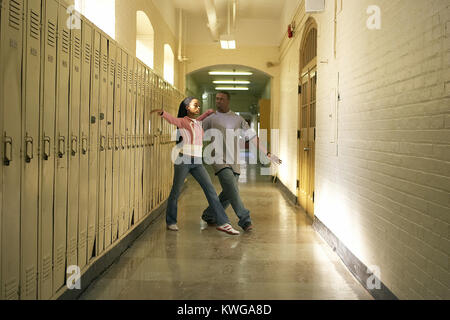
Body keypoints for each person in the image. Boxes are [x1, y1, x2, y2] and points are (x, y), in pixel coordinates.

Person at [150, 97, 240, 235]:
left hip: (197, 162)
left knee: (210, 191)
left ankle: (223, 222)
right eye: (195, 106)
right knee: (176, 191)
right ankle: (171, 221)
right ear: (187, 108)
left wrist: (209, 112)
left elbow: (201, 118)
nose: (198, 108)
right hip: (183, 160)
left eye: (199, 106)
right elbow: (173, 120)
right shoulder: (182, 122)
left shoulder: (198, 123)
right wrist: (163, 113)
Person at [201, 91, 282, 231]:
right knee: (231, 188)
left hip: (235, 161)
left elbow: (252, 137)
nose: (218, 101)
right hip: (218, 159)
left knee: (229, 191)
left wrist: (267, 153)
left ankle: (209, 214)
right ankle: (245, 219)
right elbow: (196, 131)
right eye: (217, 99)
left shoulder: (238, 119)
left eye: (221, 99)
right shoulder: (211, 118)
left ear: (228, 101)